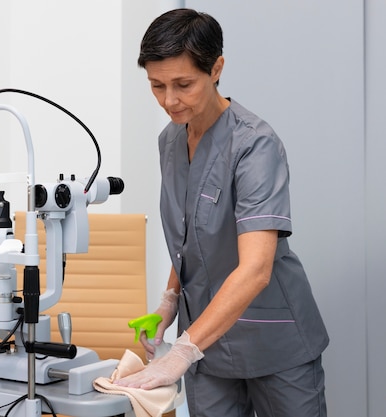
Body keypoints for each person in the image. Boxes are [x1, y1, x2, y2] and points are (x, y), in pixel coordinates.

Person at [114, 8, 329, 417]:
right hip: (207, 352)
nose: (169, 100)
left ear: (216, 69)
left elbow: (256, 268)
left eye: (183, 84)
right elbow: (189, 235)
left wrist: (180, 352)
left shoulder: (255, 145)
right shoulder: (170, 141)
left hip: (272, 344)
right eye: (156, 85)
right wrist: (168, 301)